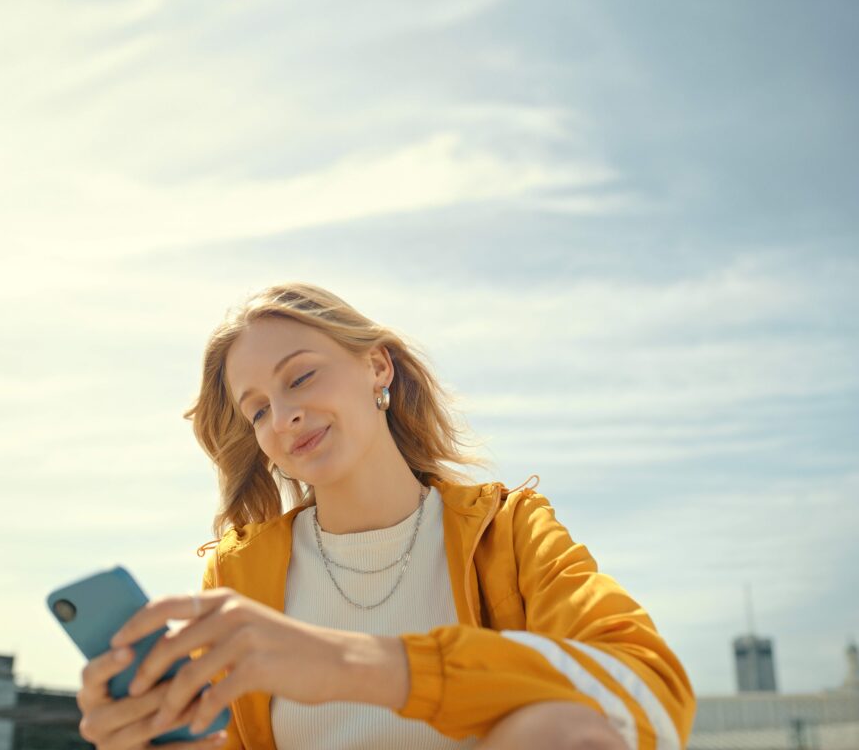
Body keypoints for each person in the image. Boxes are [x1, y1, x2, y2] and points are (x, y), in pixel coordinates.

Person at [76, 282, 696, 750]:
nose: (284, 415)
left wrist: (352, 665)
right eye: (258, 409)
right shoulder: (238, 579)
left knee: (562, 730)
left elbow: (652, 696)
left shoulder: (508, 533)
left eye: (302, 376)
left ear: (377, 367)